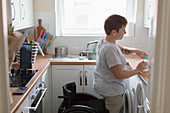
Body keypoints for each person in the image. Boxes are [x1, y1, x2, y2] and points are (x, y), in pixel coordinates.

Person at [94, 14, 148, 113]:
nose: (125, 32)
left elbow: (121, 49)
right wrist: (138, 70)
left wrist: (135, 51)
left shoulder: (104, 40)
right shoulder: (110, 49)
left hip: (102, 85)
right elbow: (119, 74)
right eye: (123, 30)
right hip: (111, 91)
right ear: (114, 32)